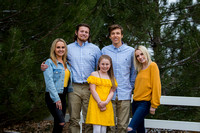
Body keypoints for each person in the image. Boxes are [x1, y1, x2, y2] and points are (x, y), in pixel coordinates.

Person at [41, 23, 102, 133]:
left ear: (89, 34)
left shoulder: (95, 49)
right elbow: (57, 59)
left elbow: (100, 68)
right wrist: (44, 65)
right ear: (76, 32)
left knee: (89, 118)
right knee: (74, 118)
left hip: (90, 87)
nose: (84, 33)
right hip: (73, 88)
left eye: (86, 32)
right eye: (82, 31)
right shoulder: (68, 48)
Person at [101, 24, 137, 133]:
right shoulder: (104, 50)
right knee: (110, 126)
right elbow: (101, 71)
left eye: (117, 33)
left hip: (124, 93)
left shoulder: (130, 51)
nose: (115, 35)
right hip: (108, 94)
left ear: (122, 35)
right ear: (110, 36)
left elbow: (133, 72)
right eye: (113, 33)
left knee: (122, 126)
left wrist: (130, 87)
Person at [127, 45, 161, 133]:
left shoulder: (152, 66)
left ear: (146, 53)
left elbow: (156, 86)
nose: (140, 57)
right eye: (137, 56)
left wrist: (154, 105)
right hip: (135, 102)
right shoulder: (140, 69)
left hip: (144, 103)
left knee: (130, 128)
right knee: (140, 129)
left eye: (141, 54)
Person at [43, 38, 73, 133]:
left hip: (63, 95)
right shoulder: (49, 62)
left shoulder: (67, 64)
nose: (61, 49)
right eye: (58, 47)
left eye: (63, 47)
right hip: (53, 96)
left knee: (59, 124)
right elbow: (49, 82)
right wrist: (56, 99)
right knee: (61, 122)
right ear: (54, 49)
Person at [85, 55, 118, 133]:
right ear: (99, 64)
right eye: (103, 64)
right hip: (96, 103)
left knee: (103, 129)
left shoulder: (111, 77)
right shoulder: (94, 74)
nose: (105, 66)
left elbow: (112, 92)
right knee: (97, 129)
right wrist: (100, 102)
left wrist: (105, 102)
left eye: (107, 64)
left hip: (106, 104)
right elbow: (93, 90)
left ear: (110, 65)